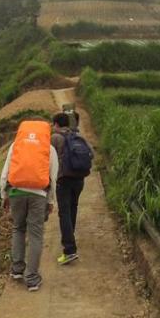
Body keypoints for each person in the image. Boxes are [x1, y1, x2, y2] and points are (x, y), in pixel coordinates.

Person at [0, 117, 58, 291]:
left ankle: (17, 269)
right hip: (38, 194)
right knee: (35, 235)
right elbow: (52, 178)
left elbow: (5, 173)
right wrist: (50, 201)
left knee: (18, 228)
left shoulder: (15, 145)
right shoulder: (49, 149)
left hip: (16, 192)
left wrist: (4, 195)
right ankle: (32, 278)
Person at [51, 110, 93, 265]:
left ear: (56, 124)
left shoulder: (55, 137)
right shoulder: (78, 136)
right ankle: (70, 237)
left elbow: (47, 158)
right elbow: (92, 154)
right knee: (73, 208)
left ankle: (69, 250)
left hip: (64, 179)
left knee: (64, 213)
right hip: (79, 179)